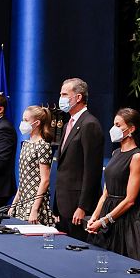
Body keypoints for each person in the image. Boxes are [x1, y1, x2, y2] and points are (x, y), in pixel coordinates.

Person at [86, 108, 140, 261]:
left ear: (131, 129)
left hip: (124, 219)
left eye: (118, 125)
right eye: (114, 124)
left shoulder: (137, 157)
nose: (114, 129)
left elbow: (130, 200)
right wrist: (94, 216)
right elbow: (106, 192)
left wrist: (104, 221)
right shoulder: (115, 153)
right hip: (106, 212)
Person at [53, 78, 104, 239]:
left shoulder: (90, 124)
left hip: (78, 207)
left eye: (64, 94)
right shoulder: (68, 124)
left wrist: (83, 206)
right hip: (63, 204)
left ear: (78, 97)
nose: (61, 98)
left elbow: (92, 170)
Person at [9, 106, 55, 225]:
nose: (22, 123)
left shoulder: (43, 145)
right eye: (22, 120)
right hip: (22, 201)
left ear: (37, 123)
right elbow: (24, 179)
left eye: (26, 120)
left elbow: (45, 180)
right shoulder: (26, 144)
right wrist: (14, 204)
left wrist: (34, 209)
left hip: (35, 203)